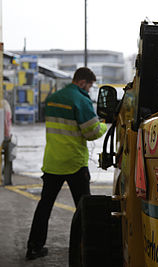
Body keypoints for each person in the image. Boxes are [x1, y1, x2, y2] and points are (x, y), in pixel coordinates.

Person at [26, 67, 107, 260]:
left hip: (53, 162)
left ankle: (34, 247)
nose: (89, 90)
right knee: (84, 208)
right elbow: (91, 132)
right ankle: (87, 249)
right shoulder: (80, 99)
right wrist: (103, 124)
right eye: (89, 86)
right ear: (82, 82)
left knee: (44, 206)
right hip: (74, 164)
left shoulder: (54, 98)